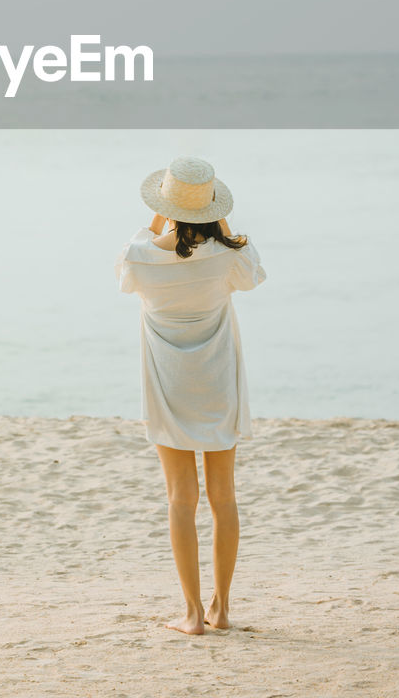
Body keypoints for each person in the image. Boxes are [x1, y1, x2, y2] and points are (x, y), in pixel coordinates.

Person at [114, 156, 266, 636]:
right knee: (224, 498)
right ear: (212, 210)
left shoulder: (140, 256)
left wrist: (157, 219)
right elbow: (251, 272)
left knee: (182, 499)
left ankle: (191, 613)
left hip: (167, 384)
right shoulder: (228, 257)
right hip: (217, 382)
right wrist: (220, 224)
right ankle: (221, 609)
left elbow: (134, 256)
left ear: (165, 206)